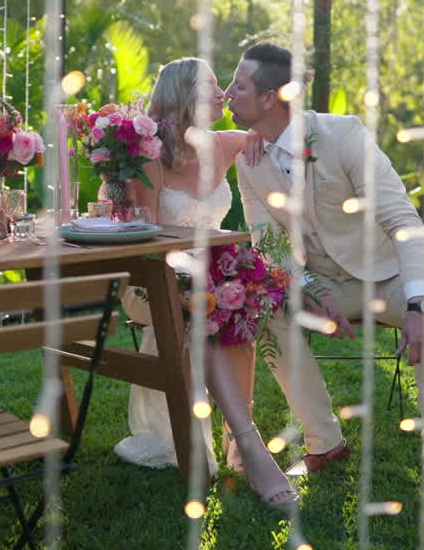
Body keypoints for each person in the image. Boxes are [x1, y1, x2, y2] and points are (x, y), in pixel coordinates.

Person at [223, 41, 424, 508]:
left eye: (240, 84)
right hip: (325, 284)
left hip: (388, 275)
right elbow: (268, 245)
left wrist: (418, 305)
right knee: (267, 311)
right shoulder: (249, 162)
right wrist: (309, 288)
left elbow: (404, 223)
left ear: (271, 97)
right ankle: (325, 443)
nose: (230, 92)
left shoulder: (345, 136)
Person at [113, 57, 297, 511]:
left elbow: (274, 134)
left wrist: (258, 143)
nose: (224, 94)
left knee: (234, 301)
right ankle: (250, 446)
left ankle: (241, 440)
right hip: (152, 279)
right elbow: (146, 238)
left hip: (208, 276)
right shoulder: (149, 156)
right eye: (213, 86)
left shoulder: (224, 143)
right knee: (212, 306)